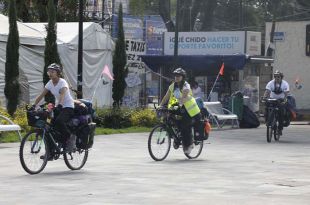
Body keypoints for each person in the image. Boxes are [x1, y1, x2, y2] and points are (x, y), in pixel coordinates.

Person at [33, 63, 76, 153]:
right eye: (49, 72)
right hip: (59, 106)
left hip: (68, 107)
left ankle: (70, 138)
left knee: (59, 121)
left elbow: (62, 94)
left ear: (58, 73)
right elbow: (41, 95)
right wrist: (33, 105)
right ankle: (50, 152)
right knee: (48, 126)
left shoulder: (62, 82)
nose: (50, 73)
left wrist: (60, 105)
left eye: (52, 72)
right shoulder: (49, 83)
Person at [158, 68, 201, 154]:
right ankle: (175, 137)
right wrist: (160, 105)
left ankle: (189, 144)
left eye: (178, 76)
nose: (176, 77)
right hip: (179, 107)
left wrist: (177, 105)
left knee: (185, 126)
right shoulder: (173, 86)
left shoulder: (186, 85)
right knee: (169, 119)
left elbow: (184, 96)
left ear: (183, 77)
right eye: (175, 76)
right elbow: (166, 96)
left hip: (189, 109)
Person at [263, 70, 290, 135]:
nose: (276, 78)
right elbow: (267, 91)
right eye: (275, 77)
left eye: (278, 77)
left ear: (281, 77)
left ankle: (280, 129)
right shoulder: (271, 83)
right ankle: (268, 121)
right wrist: (264, 98)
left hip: (281, 100)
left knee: (281, 112)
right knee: (267, 107)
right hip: (272, 99)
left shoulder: (285, 83)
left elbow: (286, 93)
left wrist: (285, 100)